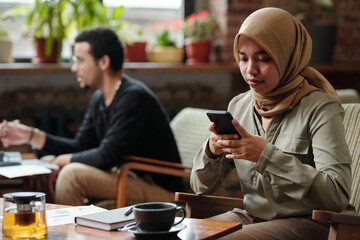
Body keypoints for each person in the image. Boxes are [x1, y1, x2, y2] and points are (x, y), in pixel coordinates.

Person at [191, 7, 353, 239]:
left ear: (287, 55)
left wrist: (265, 156)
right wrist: (212, 151)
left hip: (311, 222)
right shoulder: (238, 107)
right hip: (252, 217)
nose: (250, 70)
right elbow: (200, 187)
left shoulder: (320, 108)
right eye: (243, 58)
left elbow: (336, 196)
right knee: (185, 235)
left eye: (263, 58)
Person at [0, 26, 182, 206]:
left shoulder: (134, 97)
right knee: (46, 165)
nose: (74, 68)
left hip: (159, 188)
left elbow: (107, 155)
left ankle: (68, 235)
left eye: (79, 60)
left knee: (71, 175)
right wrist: (30, 135)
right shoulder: (100, 98)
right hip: (126, 174)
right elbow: (80, 146)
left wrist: (65, 159)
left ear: (103, 62)